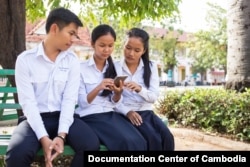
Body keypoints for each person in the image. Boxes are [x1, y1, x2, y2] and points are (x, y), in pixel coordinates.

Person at [5, 7, 100, 167]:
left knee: (91, 146)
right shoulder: (25, 60)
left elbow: (69, 100)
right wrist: (43, 138)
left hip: (64, 117)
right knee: (16, 155)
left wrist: (61, 136)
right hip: (34, 119)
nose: (73, 39)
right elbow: (28, 103)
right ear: (55, 28)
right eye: (71, 33)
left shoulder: (71, 61)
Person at [75, 24, 147, 151]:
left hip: (111, 114)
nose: (106, 50)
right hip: (91, 116)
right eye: (102, 45)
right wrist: (98, 87)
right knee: (126, 142)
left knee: (139, 140)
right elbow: (82, 103)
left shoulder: (115, 68)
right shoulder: (81, 68)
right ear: (93, 44)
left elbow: (115, 102)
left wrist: (118, 93)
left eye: (110, 46)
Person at [114, 28, 175, 150]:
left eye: (137, 50)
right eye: (128, 48)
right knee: (152, 138)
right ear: (123, 46)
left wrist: (139, 89)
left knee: (167, 137)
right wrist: (127, 112)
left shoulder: (150, 66)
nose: (131, 53)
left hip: (146, 112)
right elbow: (111, 100)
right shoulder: (115, 67)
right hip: (124, 114)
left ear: (143, 51)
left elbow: (153, 97)